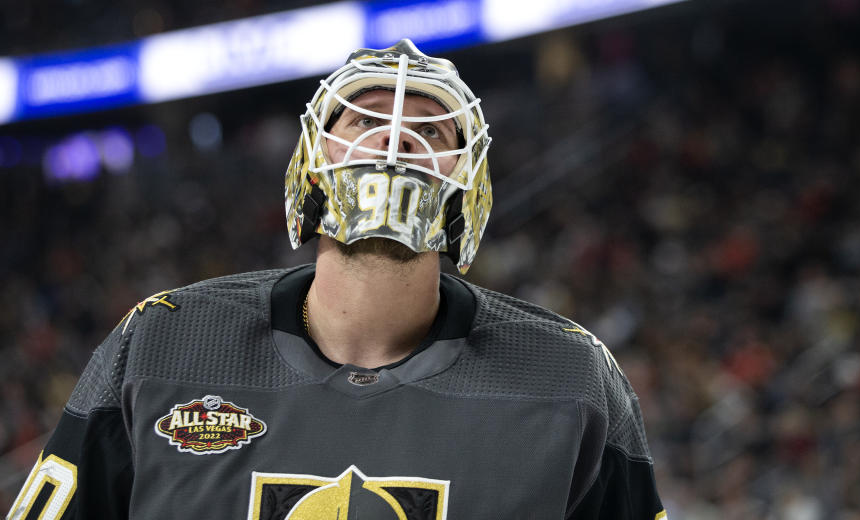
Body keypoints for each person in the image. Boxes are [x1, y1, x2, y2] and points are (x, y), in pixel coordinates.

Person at [7, 40, 668, 519]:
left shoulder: (571, 376)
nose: (394, 140)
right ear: (311, 166)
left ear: (470, 183)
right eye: (365, 120)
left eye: (430, 130)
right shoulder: (162, 342)